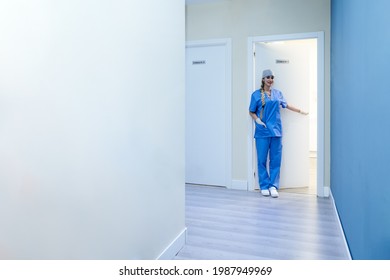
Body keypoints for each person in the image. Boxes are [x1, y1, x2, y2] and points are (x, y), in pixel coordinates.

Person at [249, 69, 308, 198]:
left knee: (275, 160)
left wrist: (300, 111)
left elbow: (286, 105)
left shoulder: (277, 94)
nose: (270, 80)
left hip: (276, 131)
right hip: (262, 132)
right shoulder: (256, 95)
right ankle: (264, 186)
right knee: (261, 160)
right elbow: (251, 111)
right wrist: (257, 120)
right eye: (268, 77)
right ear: (263, 79)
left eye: (272, 77)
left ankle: (273, 186)